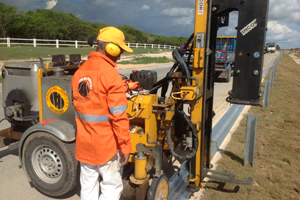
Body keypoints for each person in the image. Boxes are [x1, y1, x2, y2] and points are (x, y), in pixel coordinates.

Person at [71, 26, 132, 200]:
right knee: (111, 186)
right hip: (106, 146)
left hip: (84, 144)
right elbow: (119, 117)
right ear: (110, 48)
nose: (119, 55)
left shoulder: (79, 72)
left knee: (88, 185)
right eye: (119, 50)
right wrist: (125, 146)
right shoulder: (111, 75)